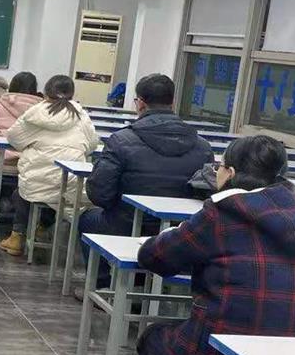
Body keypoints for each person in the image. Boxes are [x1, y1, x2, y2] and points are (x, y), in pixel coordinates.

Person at [127, 136, 295, 355]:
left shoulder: (221, 213)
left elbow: (156, 257)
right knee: (274, 354)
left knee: (154, 340)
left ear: (230, 173)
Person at [78, 73, 213, 288]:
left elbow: (99, 193)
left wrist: (117, 206)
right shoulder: (203, 146)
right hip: (179, 231)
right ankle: (144, 286)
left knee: (87, 219)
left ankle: (101, 286)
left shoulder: (120, 140)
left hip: (125, 224)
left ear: (140, 103)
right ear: (172, 102)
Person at [0, 75, 98, 256]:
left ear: (45, 93)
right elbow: (92, 144)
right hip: (71, 181)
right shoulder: (81, 115)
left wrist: (31, 145)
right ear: (72, 93)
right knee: (57, 196)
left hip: (37, 178)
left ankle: (17, 237)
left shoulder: (36, 112)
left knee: (22, 192)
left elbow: (13, 138)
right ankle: (42, 228)